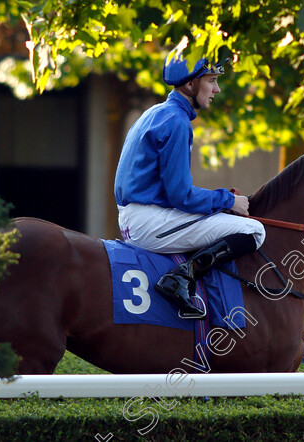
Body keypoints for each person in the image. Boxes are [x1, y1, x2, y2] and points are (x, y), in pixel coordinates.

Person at [114, 41, 266, 319]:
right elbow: (180, 196)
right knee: (253, 231)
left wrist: (221, 204)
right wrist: (228, 200)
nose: (217, 89)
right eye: (211, 80)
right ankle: (180, 279)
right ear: (188, 85)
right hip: (147, 221)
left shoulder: (158, 113)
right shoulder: (176, 121)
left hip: (139, 217)